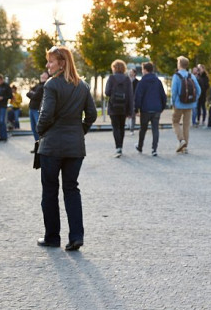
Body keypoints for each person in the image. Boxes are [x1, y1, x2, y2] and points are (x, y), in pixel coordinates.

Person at [36, 46, 97, 251]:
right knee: (71, 189)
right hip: (75, 147)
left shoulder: (52, 85)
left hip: (52, 146)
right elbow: (92, 115)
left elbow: (46, 115)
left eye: (51, 61)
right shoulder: (83, 86)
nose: (48, 65)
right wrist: (80, 131)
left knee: (49, 191)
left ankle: (52, 237)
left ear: (61, 63)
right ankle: (76, 236)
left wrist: (40, 131)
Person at [134, 62, 167, 156]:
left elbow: (138, 96)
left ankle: (140, 146)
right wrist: (162, 107)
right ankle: (154, 149)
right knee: (155, 129)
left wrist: (136, 109)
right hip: (156, 109)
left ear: (145, 70)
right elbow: (163, 95)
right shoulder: (158, 81)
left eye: (142, 69)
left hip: (145, 109)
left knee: (143, 129)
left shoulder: (142, 82)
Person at [171, 56, 201, 154]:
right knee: (186, 125)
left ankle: (181, 140)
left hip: (179, 104)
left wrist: (173, 103)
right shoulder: (191, 76)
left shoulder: (176, 76)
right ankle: (185, 148)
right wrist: (194, 100)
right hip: (190, 104)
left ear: (179, 64)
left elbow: (174, 92)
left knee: (175, 122)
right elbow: (199, 90)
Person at [105, 59, 133, 158]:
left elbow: (107, 92)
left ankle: (118, 147)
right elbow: (130, 95)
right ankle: (120, 146)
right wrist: (130, 110)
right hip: (124, 107)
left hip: (113, 106)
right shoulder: (127, 79)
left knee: (115, 127)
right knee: (121, 127)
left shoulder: (111, 78)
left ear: (114, 68)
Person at [26, 71, 49, 151]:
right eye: (43, 73)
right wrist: (32, 93)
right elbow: (28, 93)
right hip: (31, 109)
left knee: (38, 128)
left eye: (45, 74)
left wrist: (32, 93)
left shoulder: (45, 85)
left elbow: (36, 96)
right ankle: (37, 146)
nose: (43, 75)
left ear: (47, 76)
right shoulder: (38, 85)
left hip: (37, 109)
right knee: (33, 129)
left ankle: (42, 146)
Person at [0, 74, 12, 142]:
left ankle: (4, 136)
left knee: (1, 121)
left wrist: (2, 98)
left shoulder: (6, 86)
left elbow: (10, 96)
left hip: (3, 106)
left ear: (2, 79)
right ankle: (1, 136)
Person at [127, 68, 139, 135]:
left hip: (134, 100)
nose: (130, 73)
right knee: (128, 114)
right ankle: (129, 125)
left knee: (133, 115)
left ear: (134, 73)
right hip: (127, 100)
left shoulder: (137, 82)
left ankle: (132, 129)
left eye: (131, 72)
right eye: (129, 72)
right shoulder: (126, 80)